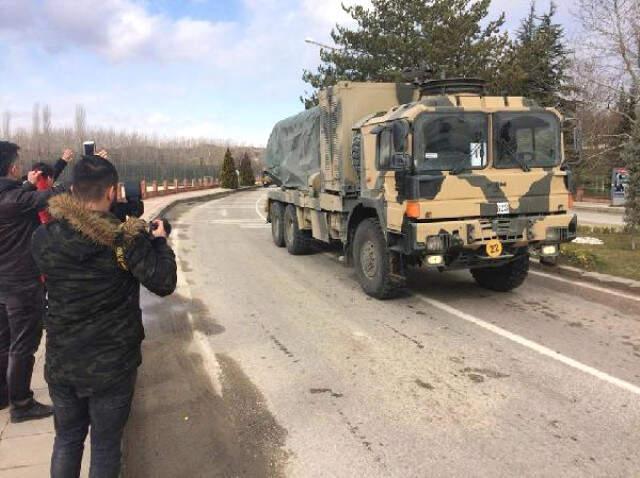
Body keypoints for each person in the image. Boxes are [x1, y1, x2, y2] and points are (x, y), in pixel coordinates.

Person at [31, 155, 177, 478]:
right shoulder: (126, 239)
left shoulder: (43, 238)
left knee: (67, 440)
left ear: (71, 190)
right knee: (106, 446)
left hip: (63, 362)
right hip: (111, 367)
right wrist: (161, 243)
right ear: (112, 192)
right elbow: (164, 282)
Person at [0, 141, 65, 422]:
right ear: (12, 167)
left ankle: (4, 395)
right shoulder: (17, 201)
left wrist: (26, 185)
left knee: (4, 342)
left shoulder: (13, 197)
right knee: (23, 345)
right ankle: (22, 403)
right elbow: (51, 195)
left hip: (2, 282)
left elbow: (21, 196)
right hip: (22, 283)